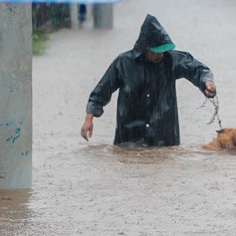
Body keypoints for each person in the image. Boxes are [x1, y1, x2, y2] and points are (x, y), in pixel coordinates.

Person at [81, 14, 216, 146]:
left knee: (166, 158)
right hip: (129, 135)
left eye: (162, 51)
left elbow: (197, 69)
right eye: (156, 51)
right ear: (144, 48)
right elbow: (102, 91)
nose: (160, 54)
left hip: (164, 135)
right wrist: (89, 119)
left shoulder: (172, 60)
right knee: (126, 158)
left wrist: (207, 82)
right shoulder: (123, 63)